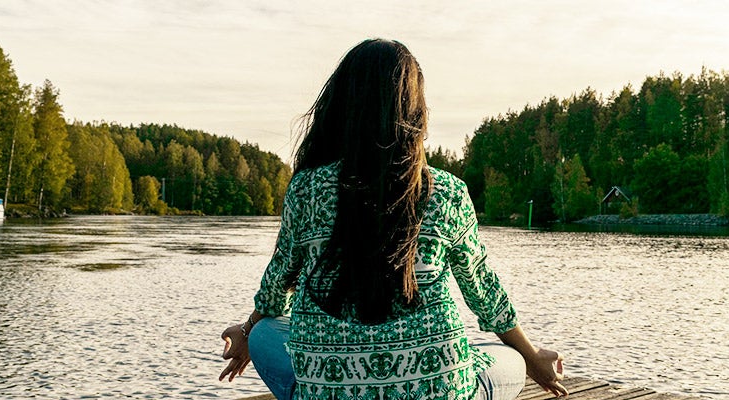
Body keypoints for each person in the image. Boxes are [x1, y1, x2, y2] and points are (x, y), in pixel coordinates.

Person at [218, 38, 568, 400]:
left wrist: (246, 331)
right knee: (508, 359)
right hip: (440, 392)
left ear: (340, 105)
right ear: (415, 111)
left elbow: (278, 286)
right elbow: (483, 292)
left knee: (264, 336)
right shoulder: (447, 192)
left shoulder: (307, 189)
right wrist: (532, 356)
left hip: (335, 390)